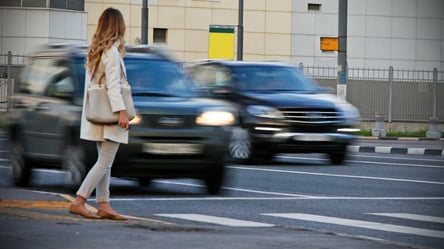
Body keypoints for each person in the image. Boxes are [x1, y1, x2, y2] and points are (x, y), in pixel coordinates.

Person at [69, 7, 131, 220]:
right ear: (118, 26)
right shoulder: (112, 52)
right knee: (105, 160)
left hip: (98, 113)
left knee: (104, 160)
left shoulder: (96, 50)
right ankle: (80, 200)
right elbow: (113, 86)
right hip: (111, 114)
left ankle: (104, 204)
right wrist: (122, 112)